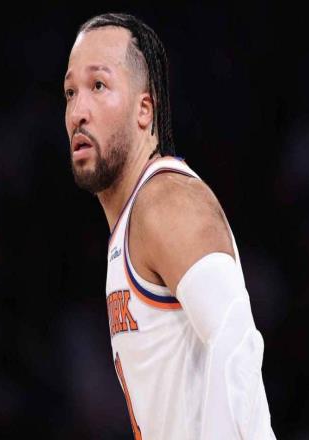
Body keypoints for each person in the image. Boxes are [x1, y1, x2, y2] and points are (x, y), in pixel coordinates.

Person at [64, 12, 276, 440]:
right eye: (70, 92)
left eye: (98, 85)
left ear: (144, 110)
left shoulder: (165, 201)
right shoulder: (131, 221)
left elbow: (236, 343)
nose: (78, 112)